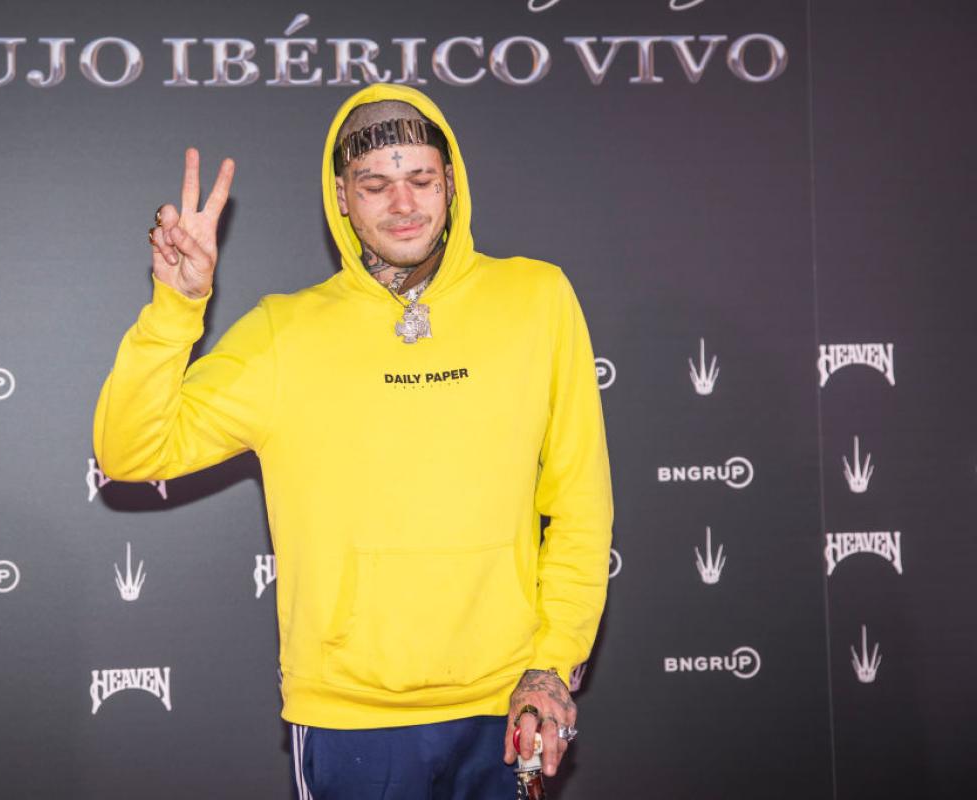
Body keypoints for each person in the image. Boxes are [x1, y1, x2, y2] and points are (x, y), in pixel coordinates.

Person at [92, 83, 614, 799]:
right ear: (341, 196)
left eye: (421, 179)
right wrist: (176, 307)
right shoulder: (285, 333)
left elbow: (580, 505)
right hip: (349, 719)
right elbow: (131, 451)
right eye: (374, 185)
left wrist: (551, 663)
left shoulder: (537, 300)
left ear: (451, 181)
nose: (403, 203)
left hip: (506, 704)